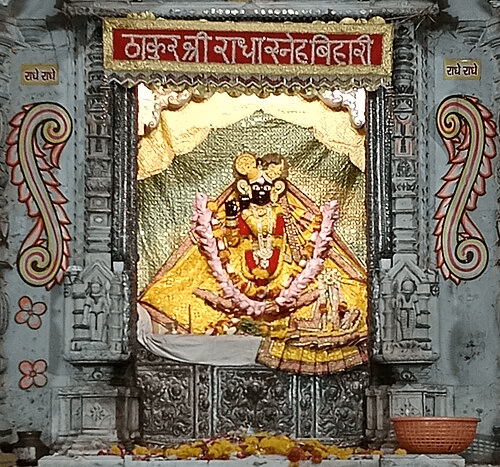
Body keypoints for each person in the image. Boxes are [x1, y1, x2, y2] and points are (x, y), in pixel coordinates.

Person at [139, 152, 368, 374]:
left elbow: (296, 233)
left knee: (312, 291)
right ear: (245, 189)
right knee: (211, 287)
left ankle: (281, 326)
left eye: (266, 186)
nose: (261, 191)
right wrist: (231, 219)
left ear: (275, 189)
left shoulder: (282, 211)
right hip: (243, 264)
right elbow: (232, 240)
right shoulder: (243, 211)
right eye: (256, 187)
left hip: (281, 266)